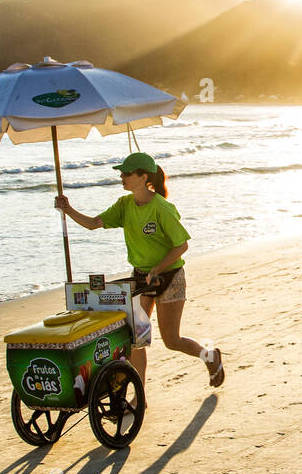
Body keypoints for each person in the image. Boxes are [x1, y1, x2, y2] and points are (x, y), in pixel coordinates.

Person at [55, 151, 224, 389]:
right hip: (141, 278)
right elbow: (94, 224)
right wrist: (68, 209)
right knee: (136, 340)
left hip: (169, 277)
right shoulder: (124, 205)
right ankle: (140, 394)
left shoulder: (161, 208)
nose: (121, 177)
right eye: (121, 173)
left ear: (144, 177)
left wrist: (158, 268)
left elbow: (181, 245)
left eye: (127, 173)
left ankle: (210, 356)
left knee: (172, 340)